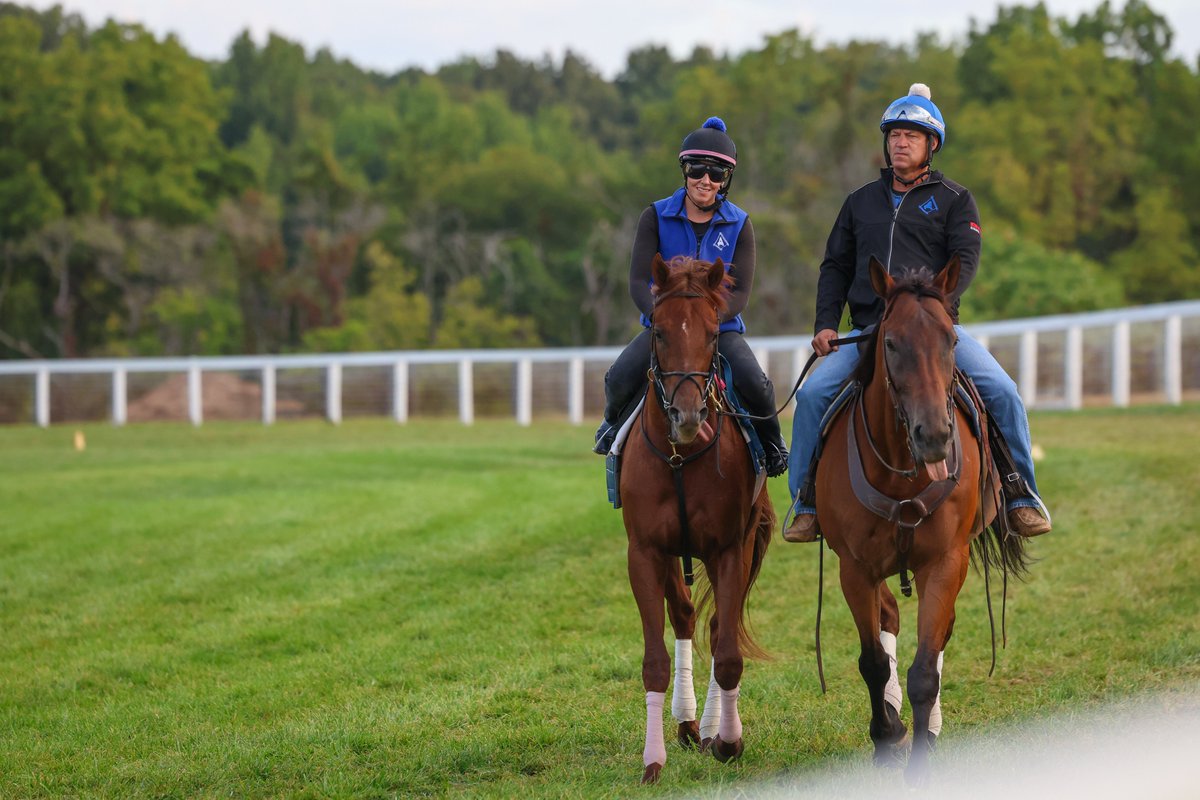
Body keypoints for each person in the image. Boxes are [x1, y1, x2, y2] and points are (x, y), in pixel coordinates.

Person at [782, 83, 1052, 542]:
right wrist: (825, 324)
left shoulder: (955, 199)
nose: (900, 142)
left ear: (931, 145)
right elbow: (835, 266)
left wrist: (934, 310)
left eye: (911, 135)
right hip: (870, 330)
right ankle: (806, 502)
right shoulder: (858, 202)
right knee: (811, 397)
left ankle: (1021, 494)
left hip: (934, 330)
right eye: (894, 135)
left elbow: (964, 260)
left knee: (1003, 392)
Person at [593, 116, 789, 477]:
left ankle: (775, 447)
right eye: (697, 169)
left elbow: (741, 290)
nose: (706, 180)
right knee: (619, 376)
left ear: (726, 180)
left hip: (719, 328)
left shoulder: (740, 224)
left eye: (716, 174)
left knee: (755, 382)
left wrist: (706, 322)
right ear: (684, 169)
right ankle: (611, 428)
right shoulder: (654, 215)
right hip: (664, 326)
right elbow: (638, 280)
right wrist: (662, 319)